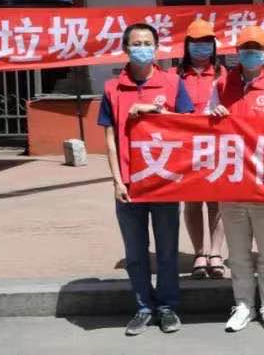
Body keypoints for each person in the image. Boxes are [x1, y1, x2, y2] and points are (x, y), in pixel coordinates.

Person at [98, 22, 194, 336]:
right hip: (129, 183)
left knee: (167, 250)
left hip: (163, 181)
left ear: (157, 47)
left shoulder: (172, 82)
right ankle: (143, 307)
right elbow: (110, 139)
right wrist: (117, 180)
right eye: (136, 43)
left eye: (147, 43)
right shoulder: (113, 88)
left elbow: (187, 125)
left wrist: (154, 112)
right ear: (126, 49)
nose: (142, 48)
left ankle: (166, 307)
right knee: (135, 253)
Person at [210, 25, 264, 333]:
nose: (251, 53)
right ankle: (243, 304)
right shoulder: (221, 85)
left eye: (257, 48)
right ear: (237, 52)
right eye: (246, 48)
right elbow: (207, 126)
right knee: (238, 252)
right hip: (232, 181)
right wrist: (214, 116)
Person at [180, 18, 227, 280]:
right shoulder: (176, 75)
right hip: (187, 145)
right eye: (196, 42)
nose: (201, 47)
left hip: (216, 144)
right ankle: (199, 252)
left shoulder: (222, 74)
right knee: (192, 201)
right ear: (187, 45)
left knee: (216, 201)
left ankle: (216, 252)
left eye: (207, 42)